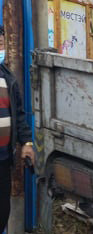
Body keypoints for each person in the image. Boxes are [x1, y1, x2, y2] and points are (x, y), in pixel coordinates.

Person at [1, 25, 35, 233]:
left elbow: (19, 114)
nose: (1, 48)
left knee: (2, 211)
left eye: (2, 43)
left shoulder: (7, 77)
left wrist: (27, 142)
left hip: (3, 159)